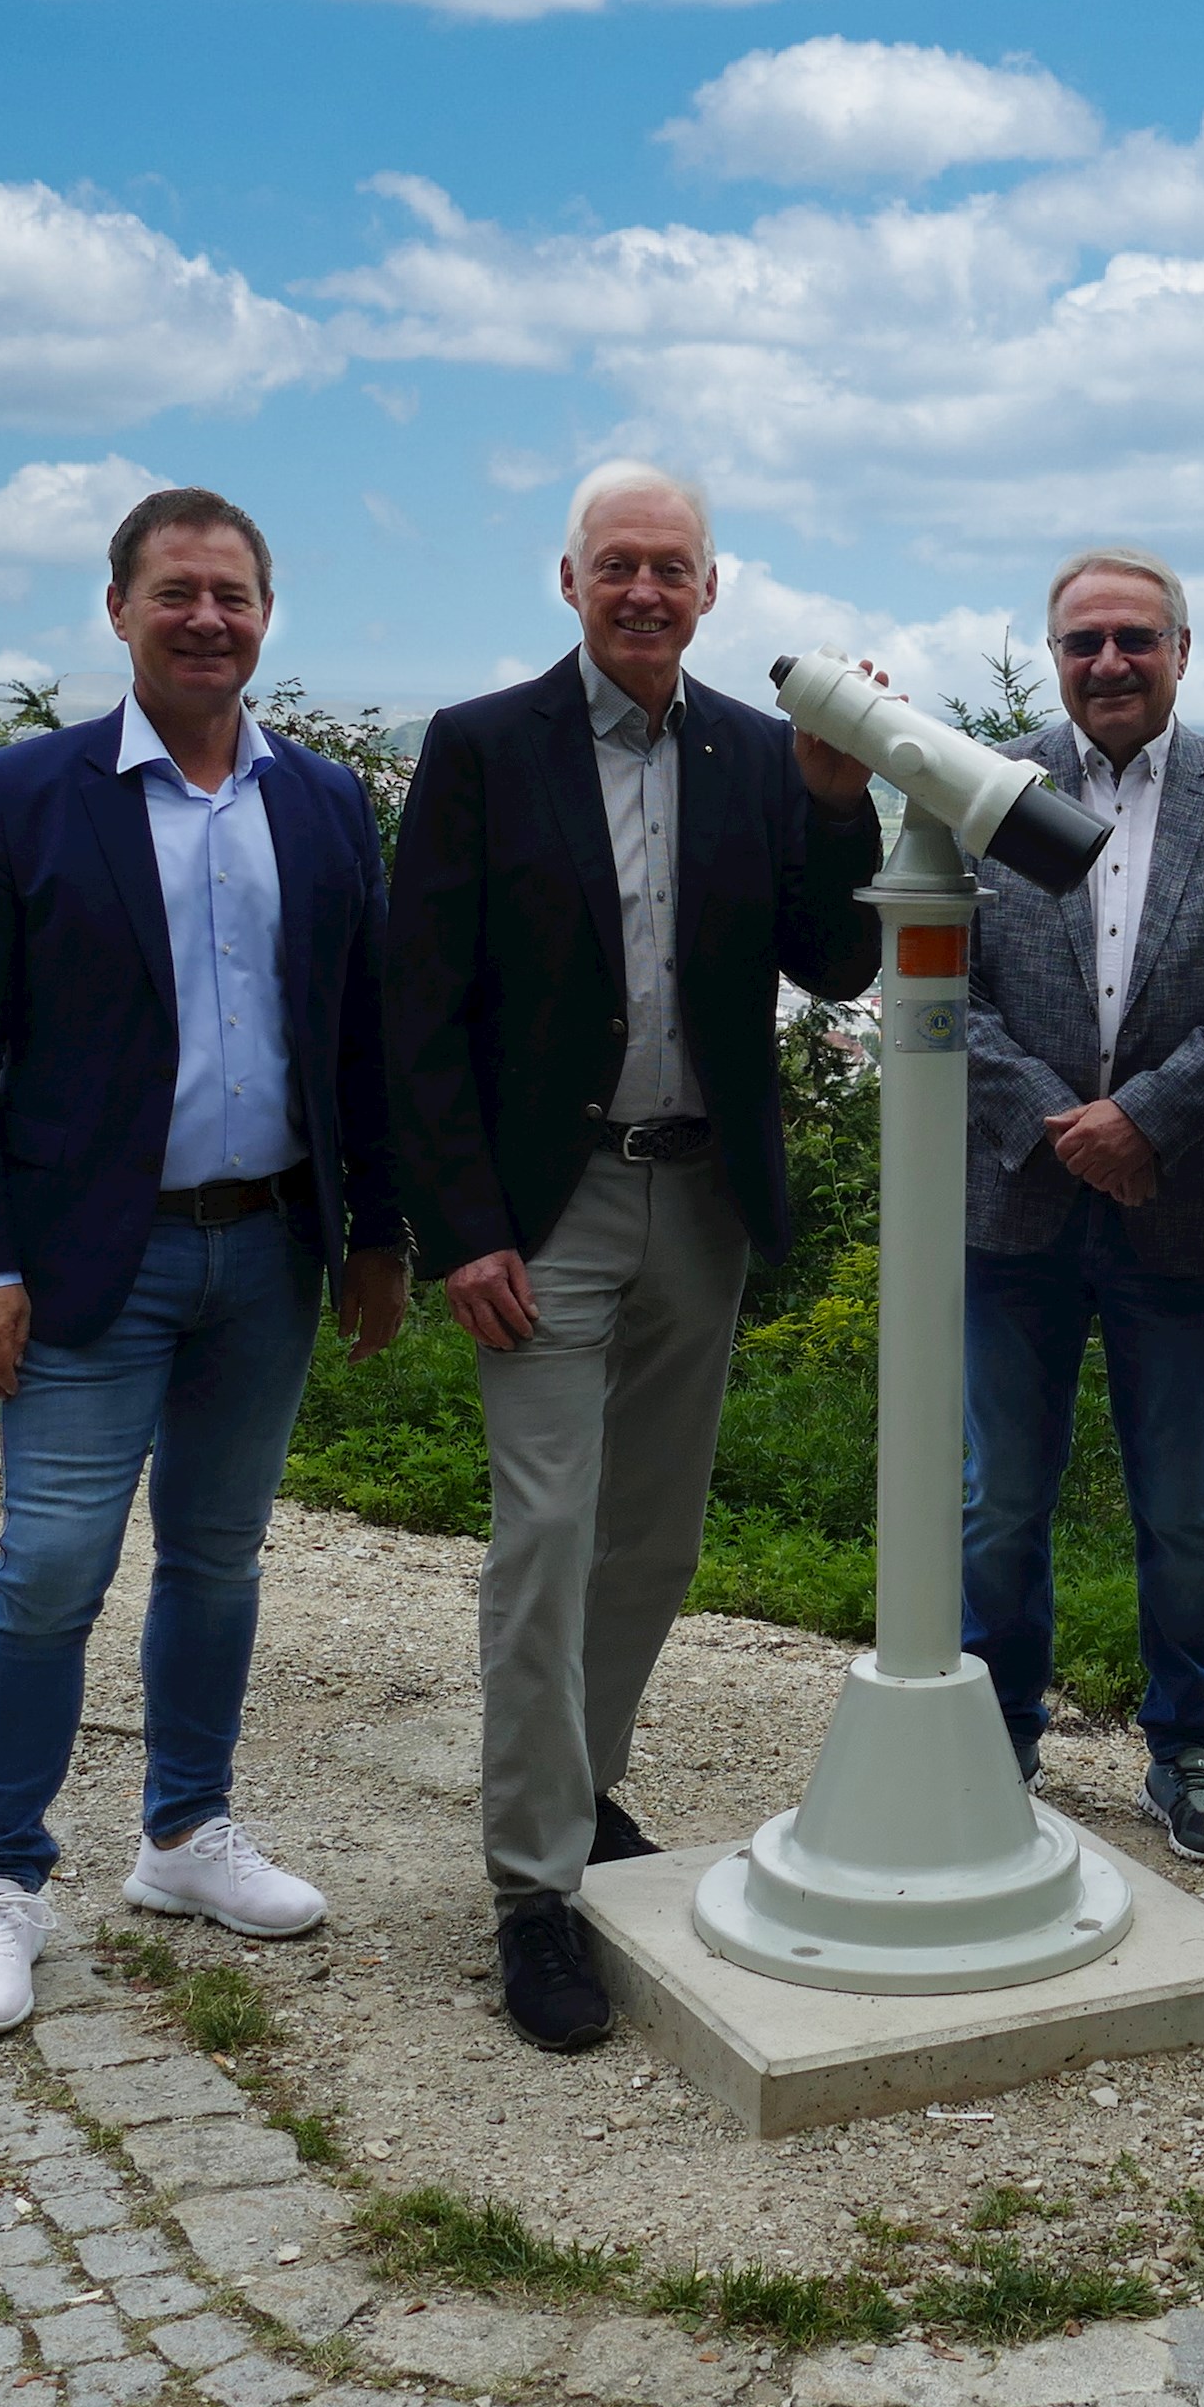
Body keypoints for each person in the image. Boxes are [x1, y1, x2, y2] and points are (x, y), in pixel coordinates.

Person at [385, 462, 884, 2052]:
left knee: (654, 1540)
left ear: (712, 588)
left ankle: (581, 1788)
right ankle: (535, 1889)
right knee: (546, 1532)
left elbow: (841, 957)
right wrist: (459, 1226)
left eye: (674, 567)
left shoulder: (753, 752)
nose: (647, 591)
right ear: (569, 579)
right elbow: (421, 1007)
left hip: (704, 1200)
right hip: (552, 1207)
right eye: (620, 565)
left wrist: (833, 792)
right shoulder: (479, 749)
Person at [0, 487, 406, 2043]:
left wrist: (375, 1233)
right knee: (51, 1568)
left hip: (265, 1250)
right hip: (77, 1268)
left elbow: (362, 1038)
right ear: (117, 609)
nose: (207, 619)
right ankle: (0, 1879)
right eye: (177, 592)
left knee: (219, 1556)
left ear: (267, 618)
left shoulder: (324, 804)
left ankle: (185, 1836)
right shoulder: (18, 799)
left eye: (234, 596)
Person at [956, 549, 1204, 1856]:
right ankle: (991, 1750)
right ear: (1056, 653)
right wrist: (1059, 1124)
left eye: (1135, 640)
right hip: (1015, 1211)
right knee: (998, 1504)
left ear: (1182, 653)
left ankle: (1187, 1755)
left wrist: (1149, 1118)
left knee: (1184, 1513)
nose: (1108, 664)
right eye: (1082, 642)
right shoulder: (987, 790)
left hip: (1179, 1207)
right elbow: (938, 987)